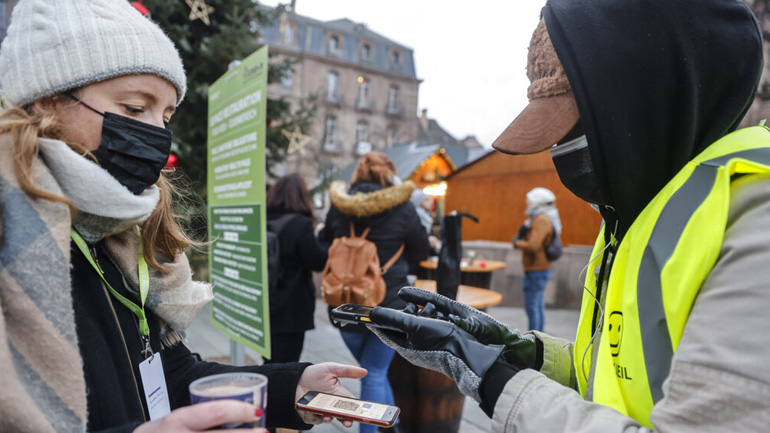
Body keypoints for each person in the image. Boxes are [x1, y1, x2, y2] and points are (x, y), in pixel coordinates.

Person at [367, 0, 770, 431]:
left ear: (652, 103)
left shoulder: (754, 220)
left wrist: (494, 378)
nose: (560, 154)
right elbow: (612, 377)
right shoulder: (643, 217)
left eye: (574, 129)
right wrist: (512, 347)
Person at [0, 1, 366, 432]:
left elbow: (172, 374)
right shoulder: (15, 232)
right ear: (46, 98)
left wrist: (291, 388)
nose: (156, 132)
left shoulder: (121, 230)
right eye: (136, 108)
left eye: (167, 115)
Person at [318, 151, 431, 433]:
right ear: (389, 175)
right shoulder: (403, 208)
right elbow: (422, 251)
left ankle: (393, 425)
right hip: (388, 303)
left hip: (343, 303)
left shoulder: (339, 205)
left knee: (372, 372)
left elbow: (323, 242)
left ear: (358, 175)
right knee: (375, 373)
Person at [265, 174, 327, 363]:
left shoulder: (263, 219)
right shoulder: (300, 225)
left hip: (264, 303)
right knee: (286, 364)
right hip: (290, 309)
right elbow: (317, 261)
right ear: (301, 196)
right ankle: (279, 394)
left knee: (268, 361)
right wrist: (325, 238)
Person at [512, 187, 561, 331]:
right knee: (537, 307)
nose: (527, 204)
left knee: (532, 308)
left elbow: (533, 245)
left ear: (537, 202)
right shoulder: (542, 218)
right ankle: (539, 338)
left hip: (537, 270)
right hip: (538, 269)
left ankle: (534, 341)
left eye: (530, 201)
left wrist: (516, 242)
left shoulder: (541, 220)